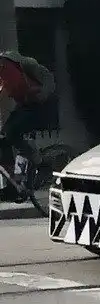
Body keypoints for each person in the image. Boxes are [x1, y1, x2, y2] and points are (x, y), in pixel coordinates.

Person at [0, 51, 55, 196]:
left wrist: (41, 94)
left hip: (41, 106)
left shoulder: (21, 62)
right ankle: (14, 185)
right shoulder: (2, 73)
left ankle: (42, 165)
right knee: (4, 139)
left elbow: (48, 79)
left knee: (12, 132)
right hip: (25, 105)